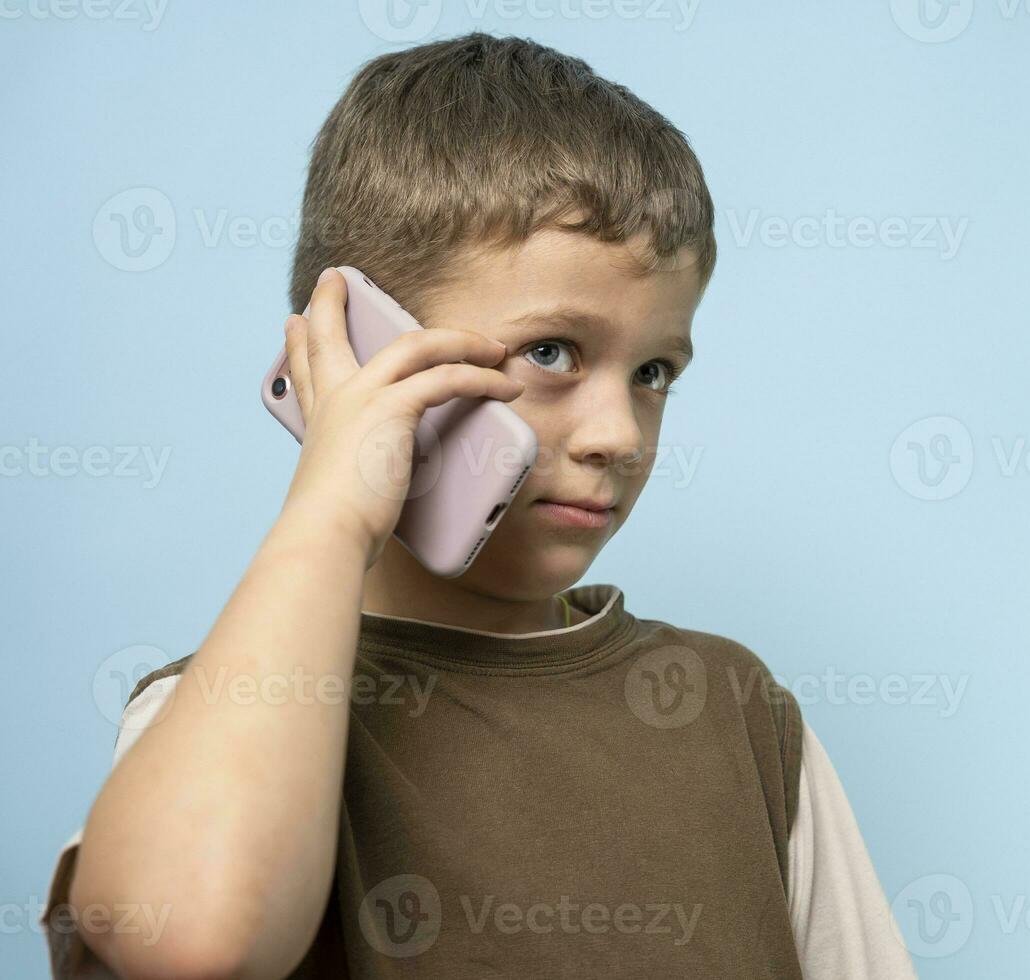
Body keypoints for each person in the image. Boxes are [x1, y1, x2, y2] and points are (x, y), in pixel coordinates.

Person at [45, 32, 917, 979]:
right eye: (551, 351)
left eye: (655, 370)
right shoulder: (224, 713)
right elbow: (196, 941)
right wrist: (332, 511)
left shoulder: (738, 716)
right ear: (360, 349)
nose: (619, 434)